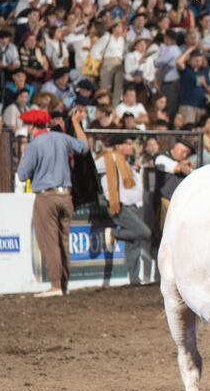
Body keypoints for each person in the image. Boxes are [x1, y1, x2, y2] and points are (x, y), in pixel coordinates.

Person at [15, 107, 89, 298]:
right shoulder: (61, 138)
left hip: (46, 197)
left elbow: (22, 175)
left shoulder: (34, 145)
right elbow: (84, 146)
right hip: (66, 196)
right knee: (63, 241)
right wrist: (76, 123)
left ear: (32, 126)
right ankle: (64, 285)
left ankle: (56, 286)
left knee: (50, 243)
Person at [95, 134, 153, 285]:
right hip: (119, 205)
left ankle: (134, 280)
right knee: (144, 232)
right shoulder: (110, 159)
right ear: (118, 146)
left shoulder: (125, 161)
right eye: (127, 143)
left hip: (133, 205)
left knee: (134, 244)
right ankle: (113, 233)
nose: (131, 146)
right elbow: (91, 168)